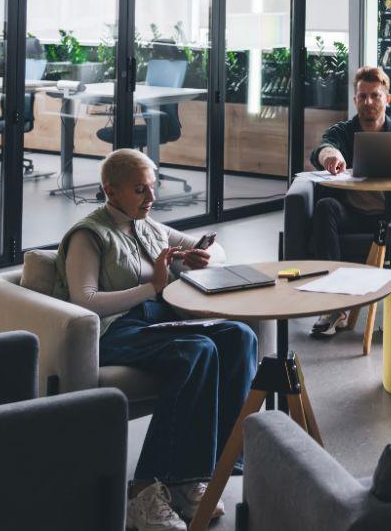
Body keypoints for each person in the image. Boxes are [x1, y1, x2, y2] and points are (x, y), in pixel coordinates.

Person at [55, 148, 258, 531]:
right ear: (110, 191)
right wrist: (154, 287)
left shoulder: (149, 226)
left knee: (239, 336)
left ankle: (200, 471)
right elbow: (85, 301)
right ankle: (144, 489)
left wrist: (198, 256)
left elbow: (216, 248)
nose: (151, 199)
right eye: (140, 190)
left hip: (156, 323)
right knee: (196, 349)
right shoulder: (90, 235)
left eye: (152, 188)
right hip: (116, 330)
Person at [306, 65, 391, 337]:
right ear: (355, 100)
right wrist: (331, 157)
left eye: (375, 96)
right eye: (362, 96)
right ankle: (334, 304)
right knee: (325, 207)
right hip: (350, 213)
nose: (368, 102)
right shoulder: (343, 131)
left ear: (386, 99)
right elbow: (323, 148)